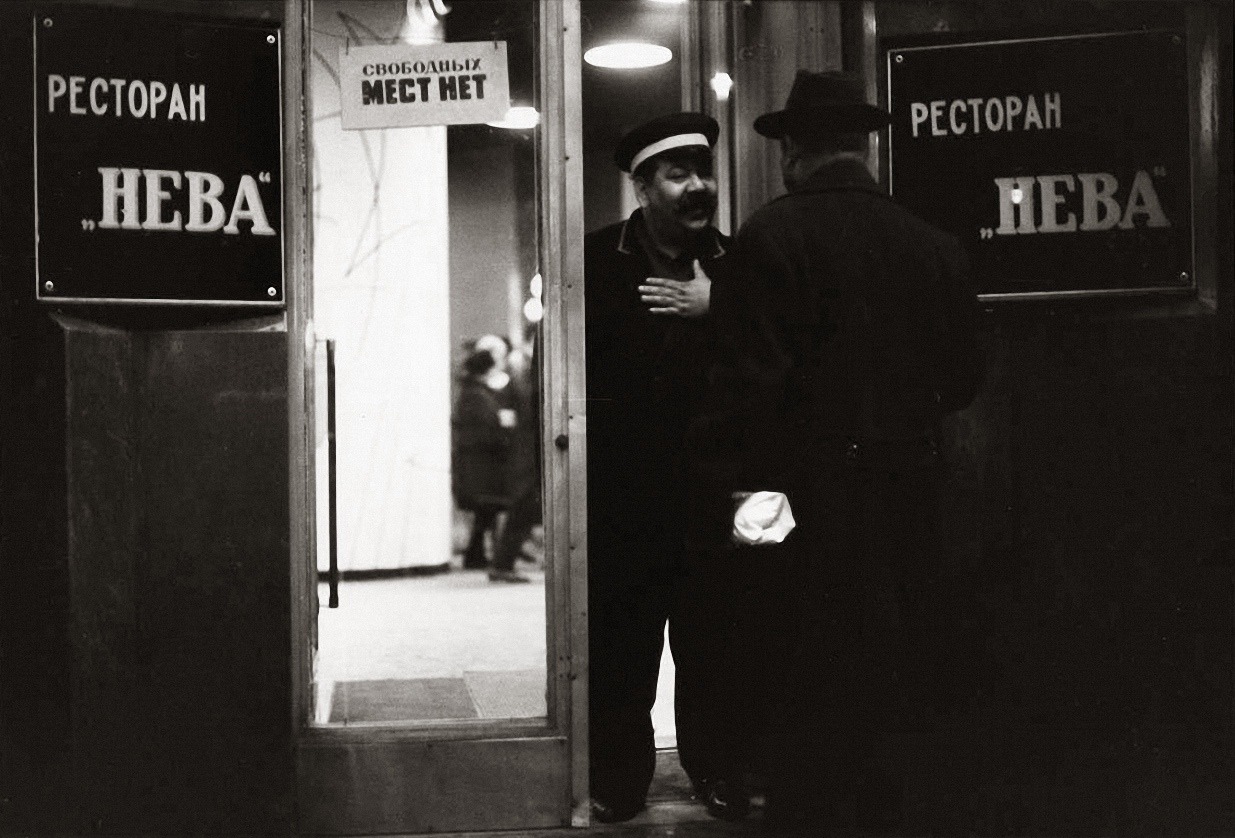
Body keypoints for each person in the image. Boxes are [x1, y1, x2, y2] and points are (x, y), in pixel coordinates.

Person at [707, 71, 984, 835]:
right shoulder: (932, 246)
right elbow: (960, 381)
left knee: (799, 685)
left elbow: (746, 402)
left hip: (801, 505)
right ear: (862, 147)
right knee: (896, 682)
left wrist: (750, 533)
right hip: (907, 496)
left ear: (793, 150)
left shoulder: (769, 238)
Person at [584, 112, 747, 823]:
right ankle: (619, 779)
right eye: (678, 174)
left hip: (719, 491)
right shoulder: (595, 260)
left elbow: (781, 352)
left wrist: (720, 308)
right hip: (625, 489)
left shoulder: (738, 265)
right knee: (623, 642)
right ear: (642, 187)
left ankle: (716, 770)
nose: (698, 187)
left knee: (716, 641)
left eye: (703, 172)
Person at [451, 335, 530, 583]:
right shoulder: (479, 394)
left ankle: (482, 555)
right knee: (491, 509)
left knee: (486, 513)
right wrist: (503, 424)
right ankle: (491, 558)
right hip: (483, 466)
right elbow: (487, 425)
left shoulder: (475, 392)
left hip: (480, 465)